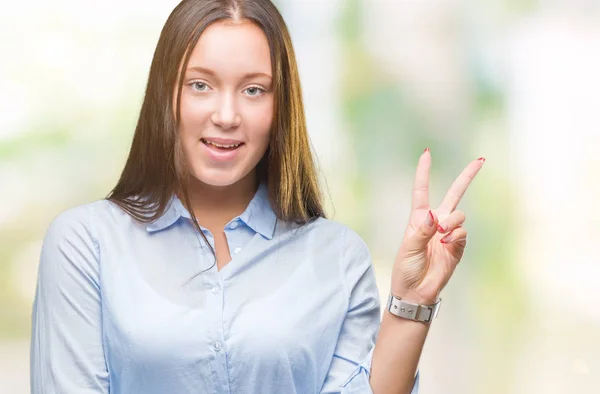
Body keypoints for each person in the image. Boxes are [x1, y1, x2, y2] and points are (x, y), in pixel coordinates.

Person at [29, 1, 484, 393]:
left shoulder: (338, 256)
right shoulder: (86, 243)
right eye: (200, 85)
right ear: (165, 96)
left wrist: (413, 300)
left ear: (279, 105)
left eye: (253, 90)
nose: (226, 115)